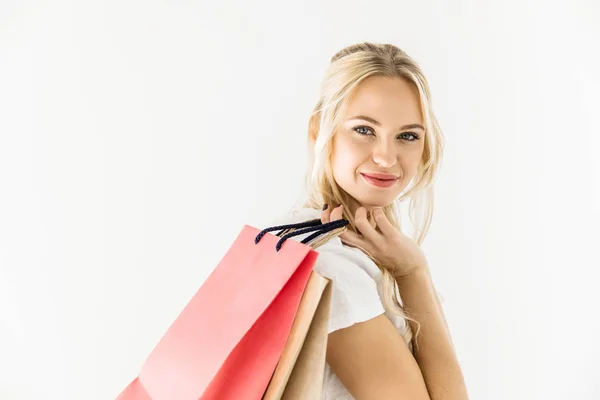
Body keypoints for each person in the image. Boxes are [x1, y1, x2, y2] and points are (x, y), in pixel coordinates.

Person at [273, 42, 469, 399]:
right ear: (320, 132)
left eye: (407, 136)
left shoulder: (293, 238)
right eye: (364, 130)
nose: (386, 157)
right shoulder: (333, 267)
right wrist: (414, 273)